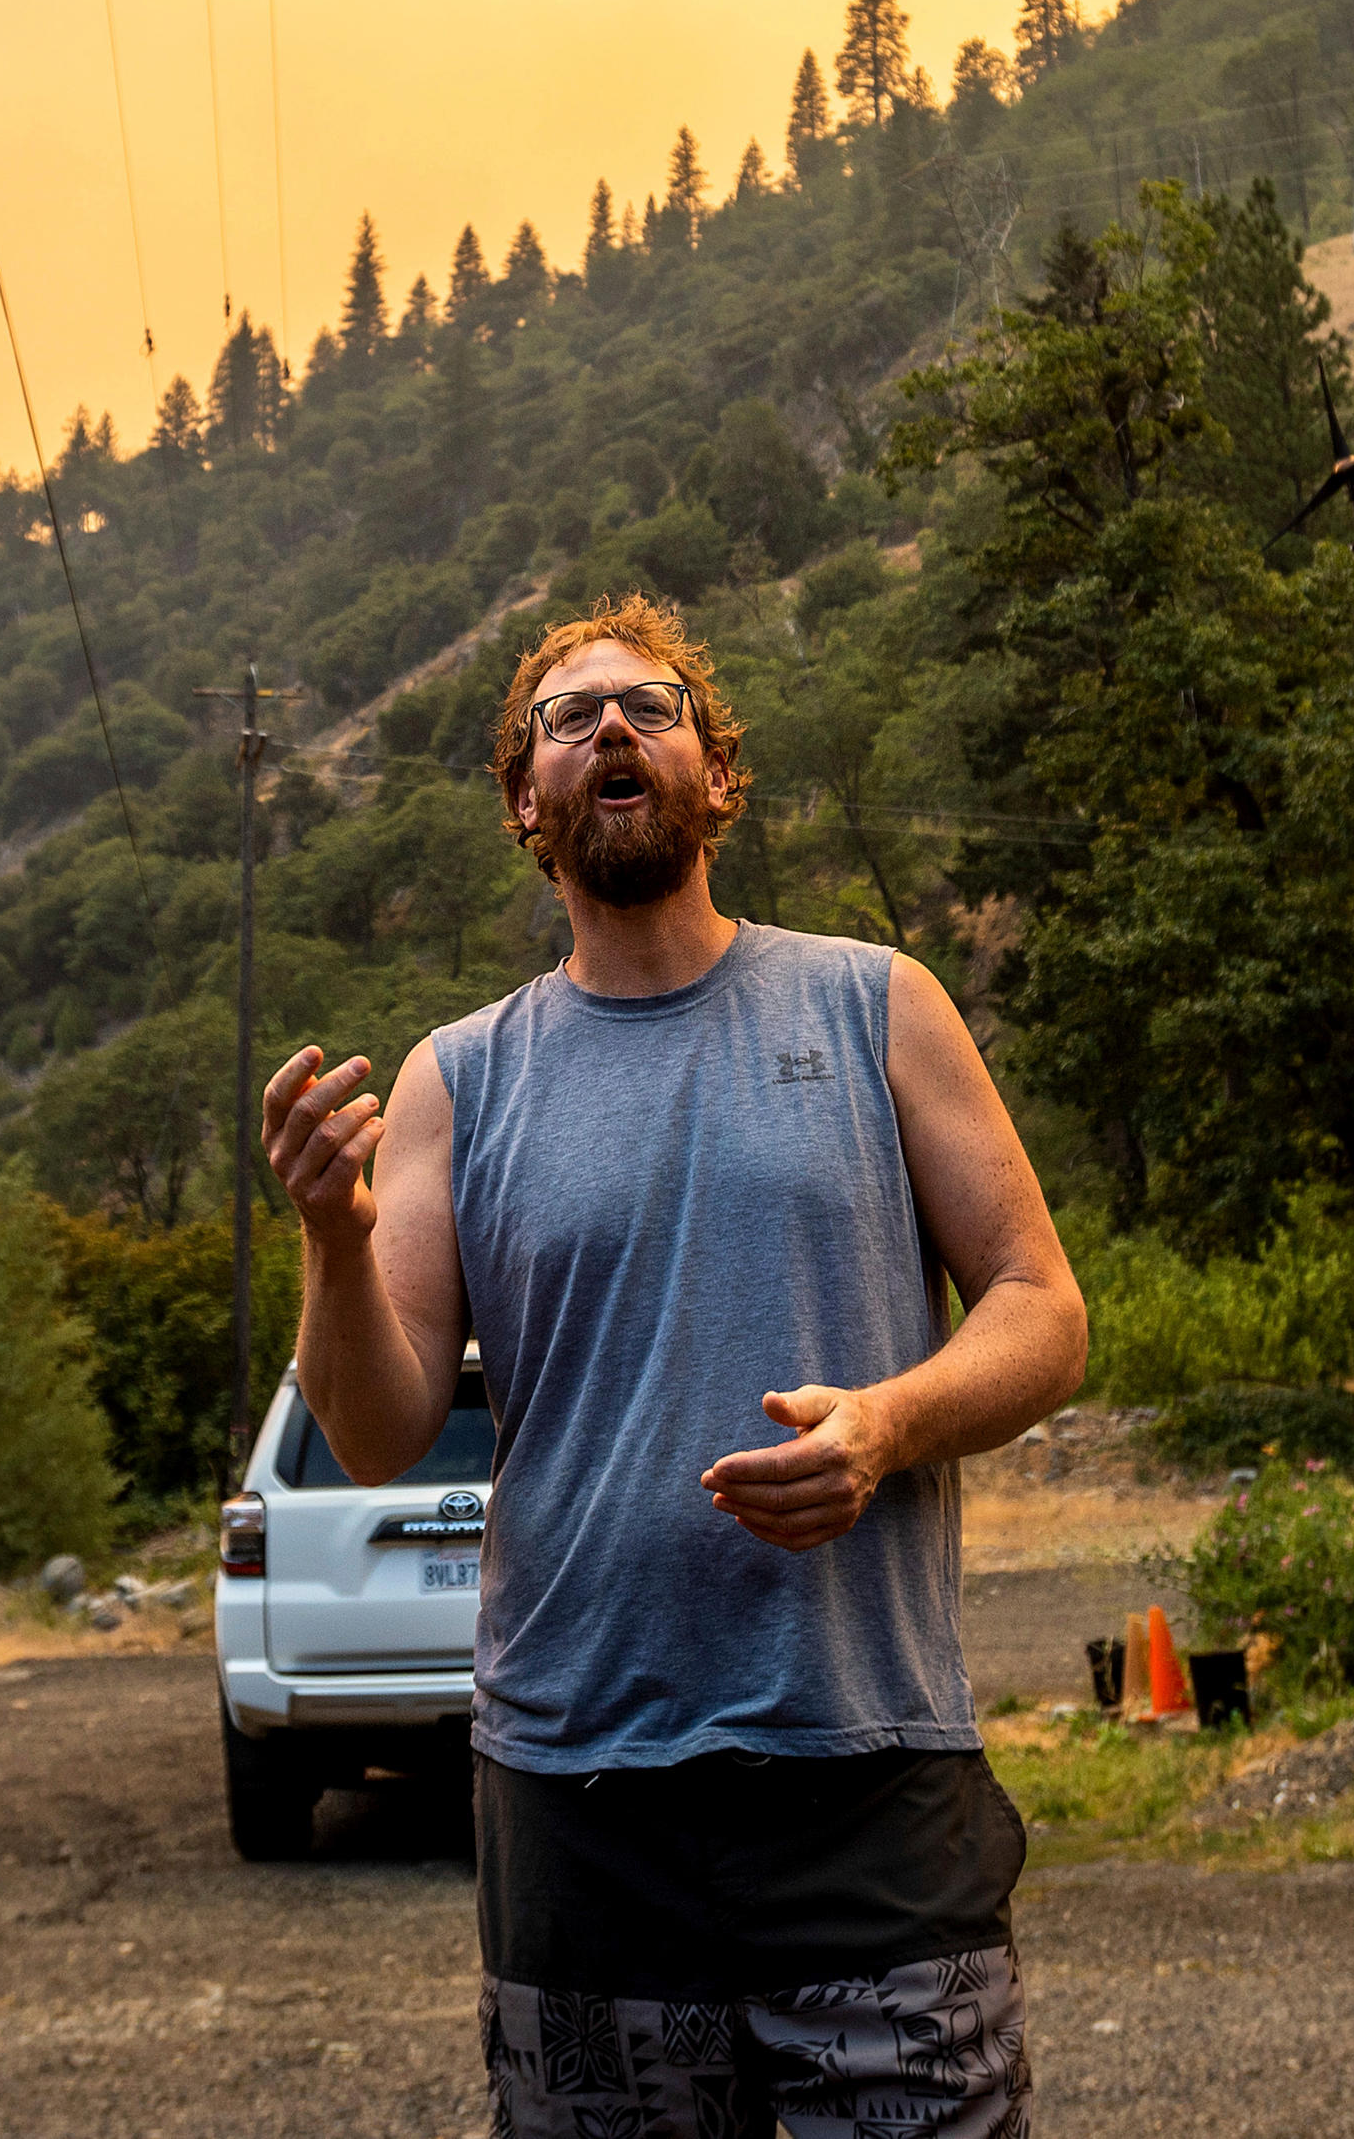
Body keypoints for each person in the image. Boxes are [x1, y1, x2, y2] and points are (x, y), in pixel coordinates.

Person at [263, 595, 1086, 2139]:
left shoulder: (877, 1004)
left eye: (649, 705)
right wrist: (328, 1233)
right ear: (527, 804)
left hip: (868, 1769)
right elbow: (374, 1433)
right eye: (568, 719)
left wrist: (888, 1425)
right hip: (580, 1801)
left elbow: (1045, 1304)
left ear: (719, 778)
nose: (612, 729)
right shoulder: (461, 1076)